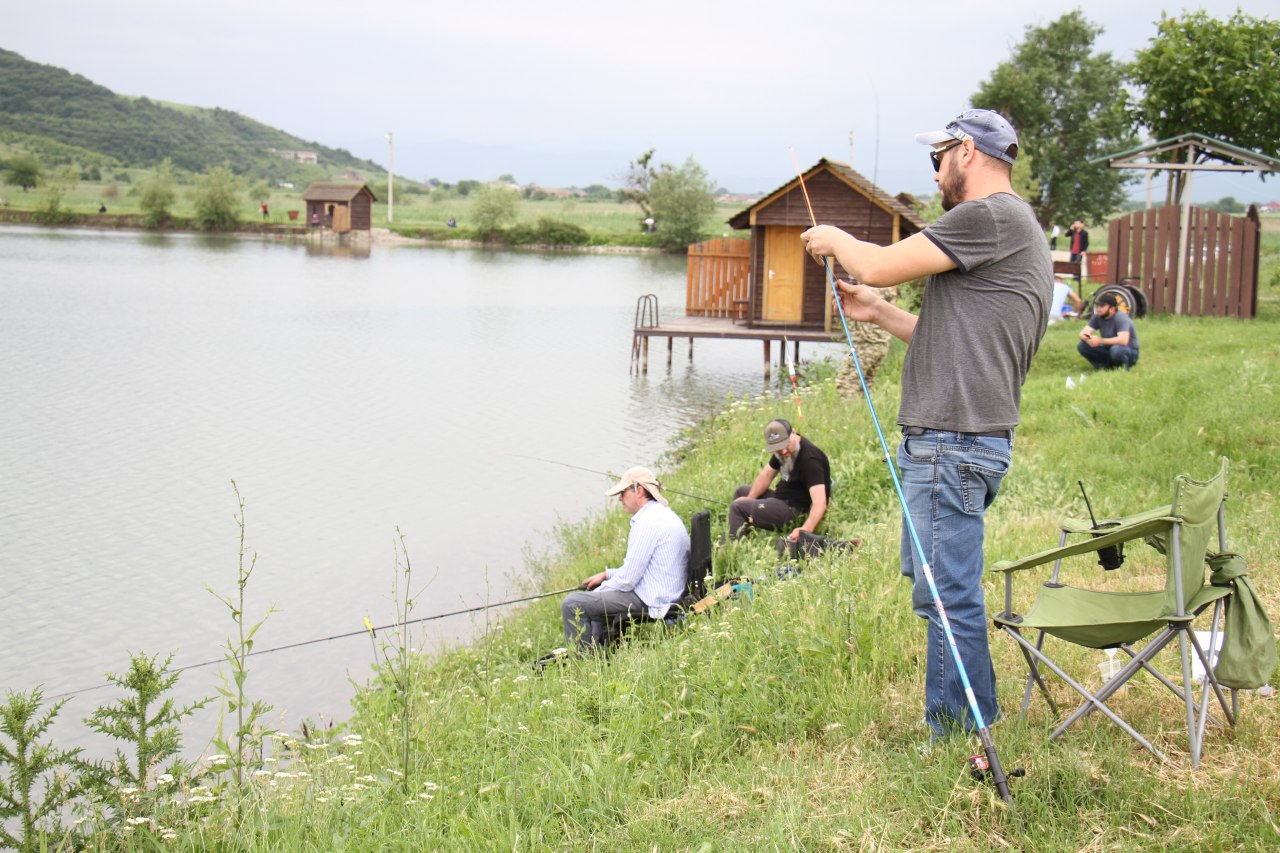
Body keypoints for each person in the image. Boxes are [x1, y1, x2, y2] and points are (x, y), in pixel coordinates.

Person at [800, 108, 1051, 739]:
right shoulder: (1013, 228)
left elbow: (876, 262)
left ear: (965, 151)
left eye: (937, 158)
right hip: (958, 442)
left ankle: (957, 734)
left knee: (947, 597)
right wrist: (882, 312)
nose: (936, 172)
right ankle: (969, 722)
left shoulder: (989, 215)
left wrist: (836, 240)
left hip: (953, 443)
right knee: (940, 593)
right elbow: (950, 339)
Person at [558, 467, 690, 653]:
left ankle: (582, 665)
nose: (620, 498)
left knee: (573, 603)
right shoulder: (661, 514)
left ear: (640, 490)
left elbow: (628, 580)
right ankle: (597, 655)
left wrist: (599, 590)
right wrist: (607, 574)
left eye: (623, 492)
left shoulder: (647, 523)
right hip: (664, 590)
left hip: (653, 599)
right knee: (595, 598)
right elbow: (641, 568)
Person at [728, 419, 831, 541]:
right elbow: (766, 475)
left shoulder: (810, 460)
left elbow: (820, 502)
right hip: (781, 499)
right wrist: (750, 499)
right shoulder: (783, 451)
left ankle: (734, 548)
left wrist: (806, 529)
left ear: (793, 432)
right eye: (778, 449)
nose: (783, 452)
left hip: (795, 511)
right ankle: (745, 534)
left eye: (785, 445)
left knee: (738, 506)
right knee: (742, 492)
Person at [1077, 292, 1139, 369]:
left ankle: (1123, 367)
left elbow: (1123, 340)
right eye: (1097, 306)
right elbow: (1083, 333)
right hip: (1109, 348)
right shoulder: (1097, 317)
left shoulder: (1121, 317)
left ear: (1112, 309)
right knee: (1082, 346)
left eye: (1102, 306)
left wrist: (1100, 341)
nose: (1098, 309)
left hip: (1128, 350)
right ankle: (1105, 368)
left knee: (1116, 350)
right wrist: (1089, 338)